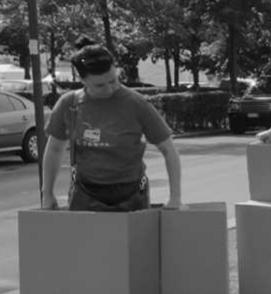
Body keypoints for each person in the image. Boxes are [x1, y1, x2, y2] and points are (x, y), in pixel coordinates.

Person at [41, 43, 182, 211]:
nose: (109, 89)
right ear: (82, 80)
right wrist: (47, 193)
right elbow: (55, 149)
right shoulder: (69, 104)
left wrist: (175, 197)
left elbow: (168, 149)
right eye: (100, 85)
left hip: (131, 194)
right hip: (85, 195)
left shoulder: (136, 103)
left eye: (113, 80)